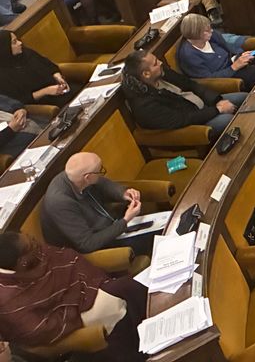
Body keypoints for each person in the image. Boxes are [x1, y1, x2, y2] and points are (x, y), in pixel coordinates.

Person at [0, 232, 147, 361]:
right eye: (32, 244)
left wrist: (76, 289)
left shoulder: (32, 253)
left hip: (85, 285)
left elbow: (64, 258)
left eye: (30, 237)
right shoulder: (7, 299)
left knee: (132, 286)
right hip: (72, 316)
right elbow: (38, 330)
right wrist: (72, 304)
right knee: (118, 305)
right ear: (23, 262)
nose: (37, 244)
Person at [40, 152, 150, 257]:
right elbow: (87, 244)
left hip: (110, 225)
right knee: (151, 242)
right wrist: (125, 220)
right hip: (94, 247)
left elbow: (102, 183)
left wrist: (123, 193)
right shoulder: (60, 203)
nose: (101, 173)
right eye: (100, 171)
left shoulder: (75, 176)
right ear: (87, 177)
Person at [121, 49, 246, 135]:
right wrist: (218, 110)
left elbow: (191, 84)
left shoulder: (162, 72)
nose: (160, 63)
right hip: (196, 124)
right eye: (155, 63)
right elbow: (183, 119)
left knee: (244, 98)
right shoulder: (145, 105)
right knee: (231, 120)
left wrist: (217, 100)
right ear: (146, 74)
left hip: (205, 105)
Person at [176, 13, 255, 90]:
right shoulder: (188, 55)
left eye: (210, 27)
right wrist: (233, 67)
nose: (211, 30)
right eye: (207, 30)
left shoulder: (212, 35)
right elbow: (208, 79)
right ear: (195, 34)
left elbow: (228, 51)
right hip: (225, 78)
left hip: (232, 65)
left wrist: (239, 56)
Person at [0, 29, 74, 108]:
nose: (20, 43)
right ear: (5, 48)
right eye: (14, 42)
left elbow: (50, 65)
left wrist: (57, 76)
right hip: (44, 103)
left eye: (17, 39)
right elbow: (21, 100)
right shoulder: (3, 76)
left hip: (59, 89)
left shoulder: (26, 52)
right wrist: (46, 91)